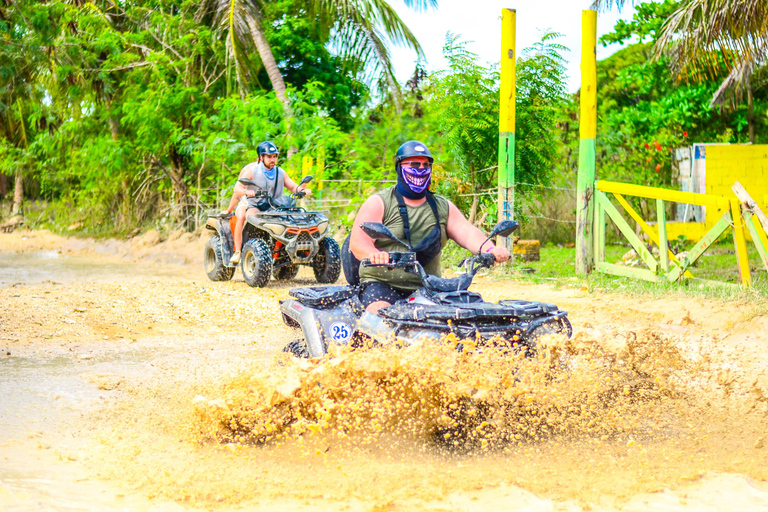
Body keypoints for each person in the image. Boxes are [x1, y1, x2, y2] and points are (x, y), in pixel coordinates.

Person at [349, 140, 510, 314]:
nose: (420, 169)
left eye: (425, 165)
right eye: (414, 164)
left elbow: (467, 232)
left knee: (464, 318)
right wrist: (376, 255)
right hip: (383, 285)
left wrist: (490, 249)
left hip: (428, 288)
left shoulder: (442, 206)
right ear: (399, 166)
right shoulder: (379, 202)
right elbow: (358, 243)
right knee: (381, 317)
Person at [223, 141, 311, 264]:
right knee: (247, 218)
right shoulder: (252, 171)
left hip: (274, 207)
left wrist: (303, 190)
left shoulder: (280, 172)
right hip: (254, 205)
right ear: (261, 157)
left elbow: (292, 187)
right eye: (269, 156)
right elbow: (237, 189)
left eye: (274, 156)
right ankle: (238, 251)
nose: (272, 159)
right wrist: (246, 192)